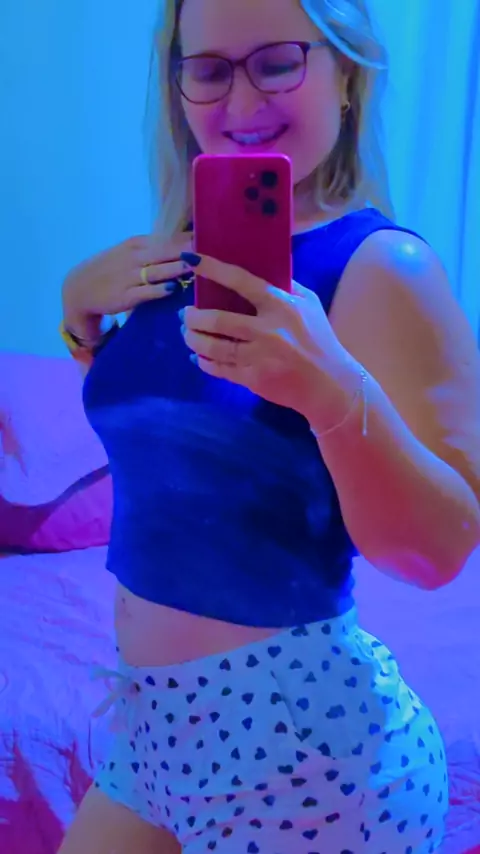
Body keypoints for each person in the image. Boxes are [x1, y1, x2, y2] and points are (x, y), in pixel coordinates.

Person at [57, 0, 480, 851]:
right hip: (151, 732)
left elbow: (441, 550)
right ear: (177, 85)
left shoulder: (383, 267)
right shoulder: (178, 259)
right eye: (209, 70)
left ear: (346, 74)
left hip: (301, 751)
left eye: (279, 62)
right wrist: (79, 318)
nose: (242, 103)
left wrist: (331, 394)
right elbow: (180, 456)